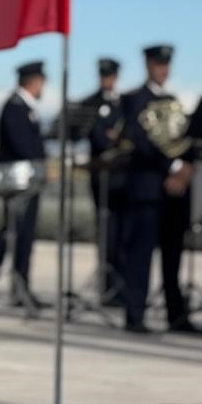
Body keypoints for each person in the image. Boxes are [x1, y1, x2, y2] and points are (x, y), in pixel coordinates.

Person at [118, 45, 201, 335]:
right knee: (140, 256)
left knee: (173, 256)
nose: (163, 70)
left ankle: (176, 316)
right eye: (158, 64)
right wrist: (172, 167)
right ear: (147, 65)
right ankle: (135, 315)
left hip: (174, 193)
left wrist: (185, 169)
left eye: (166, 65)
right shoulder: (133, 99)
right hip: (147, 189)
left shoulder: (173, 101)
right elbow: (139, 142)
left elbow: (183, 140)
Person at [0, 61, 48, 313]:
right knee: (10, 235)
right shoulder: (14, 106)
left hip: (30, 183)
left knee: (24, 238)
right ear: (34, 81)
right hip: (17, 184)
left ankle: (20, 287)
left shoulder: (26, 107)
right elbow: (22, 144)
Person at [79, 56, 126, 304]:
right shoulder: (90, 103)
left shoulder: (123, 102)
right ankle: (107, 285)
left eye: (111, 76)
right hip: (101, 176)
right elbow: (97, 137)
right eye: (104, 75)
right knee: (106, 230)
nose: (107, 80)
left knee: (122, 232)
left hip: (122, 176)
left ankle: (121, 284)